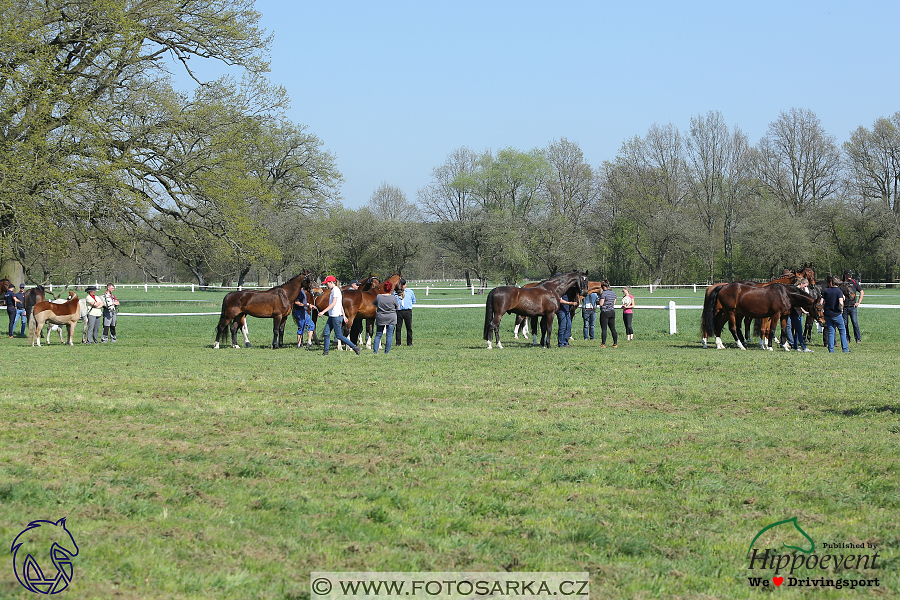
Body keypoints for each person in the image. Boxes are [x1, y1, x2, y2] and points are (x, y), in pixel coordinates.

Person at [320, 275, 361, 356]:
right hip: (332, 315)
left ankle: (355, 347)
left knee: (339, 335)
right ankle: (325, 352)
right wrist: (344, 316)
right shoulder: (334, 290)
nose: (326, 285)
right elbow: (340, 305)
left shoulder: (335, 290)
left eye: (327, 283)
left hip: (335, 316)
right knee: (326, 333)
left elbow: (334, 303)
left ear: (331, 282)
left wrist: (323, 311)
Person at [822, 275, 850, 353]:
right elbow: (841, 303)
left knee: (831, 331)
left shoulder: (826, 291)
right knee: (842, 331)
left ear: (831, 283)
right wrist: (841, 310)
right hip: (836, 314)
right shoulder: (839, 291)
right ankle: (845, 349)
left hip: (827, 314)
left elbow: (821, 302)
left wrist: (825, 309)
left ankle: (831, 349)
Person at [373, 281, 400, 354]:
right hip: (391, 317)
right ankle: (386, 351)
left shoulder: (379, 296)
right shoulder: (393, 297)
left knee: (378, 334)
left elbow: (374, 304)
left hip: (381, 317)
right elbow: (397, 307)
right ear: (391, 289)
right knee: (389, 334)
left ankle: (375, 351)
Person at [842, 270, 864, 344]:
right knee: (845, 324)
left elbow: (861, 291)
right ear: (845, 275)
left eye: (851, 275)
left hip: (853, 306)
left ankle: (858, 338)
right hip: (844, 306)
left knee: (855, 323)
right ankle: (847, 339)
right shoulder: (842, 283)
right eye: (849, 275)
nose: (850, 276)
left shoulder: (854, 282)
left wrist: (859, 302)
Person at [394, 279, 416, 347]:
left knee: (409, 327)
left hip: (407, 311)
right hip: (398, 311)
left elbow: (413, 300)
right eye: (401, 285)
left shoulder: (410, 292)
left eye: (403, 285)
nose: (402, 286)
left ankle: (409, 342)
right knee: (398, 327)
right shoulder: (395, 292)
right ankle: (398, 342)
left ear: (405, 285)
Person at [598, 281, 618, 348]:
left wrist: (598, 301)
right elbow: (614, 302)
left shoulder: (604, 293)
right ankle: (615, 343)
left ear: (603, 287)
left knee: (604, 329)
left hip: (605, 312)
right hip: (612, 311)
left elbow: (601, 303)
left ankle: (603, 344)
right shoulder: (613, 293)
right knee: (613, 328)